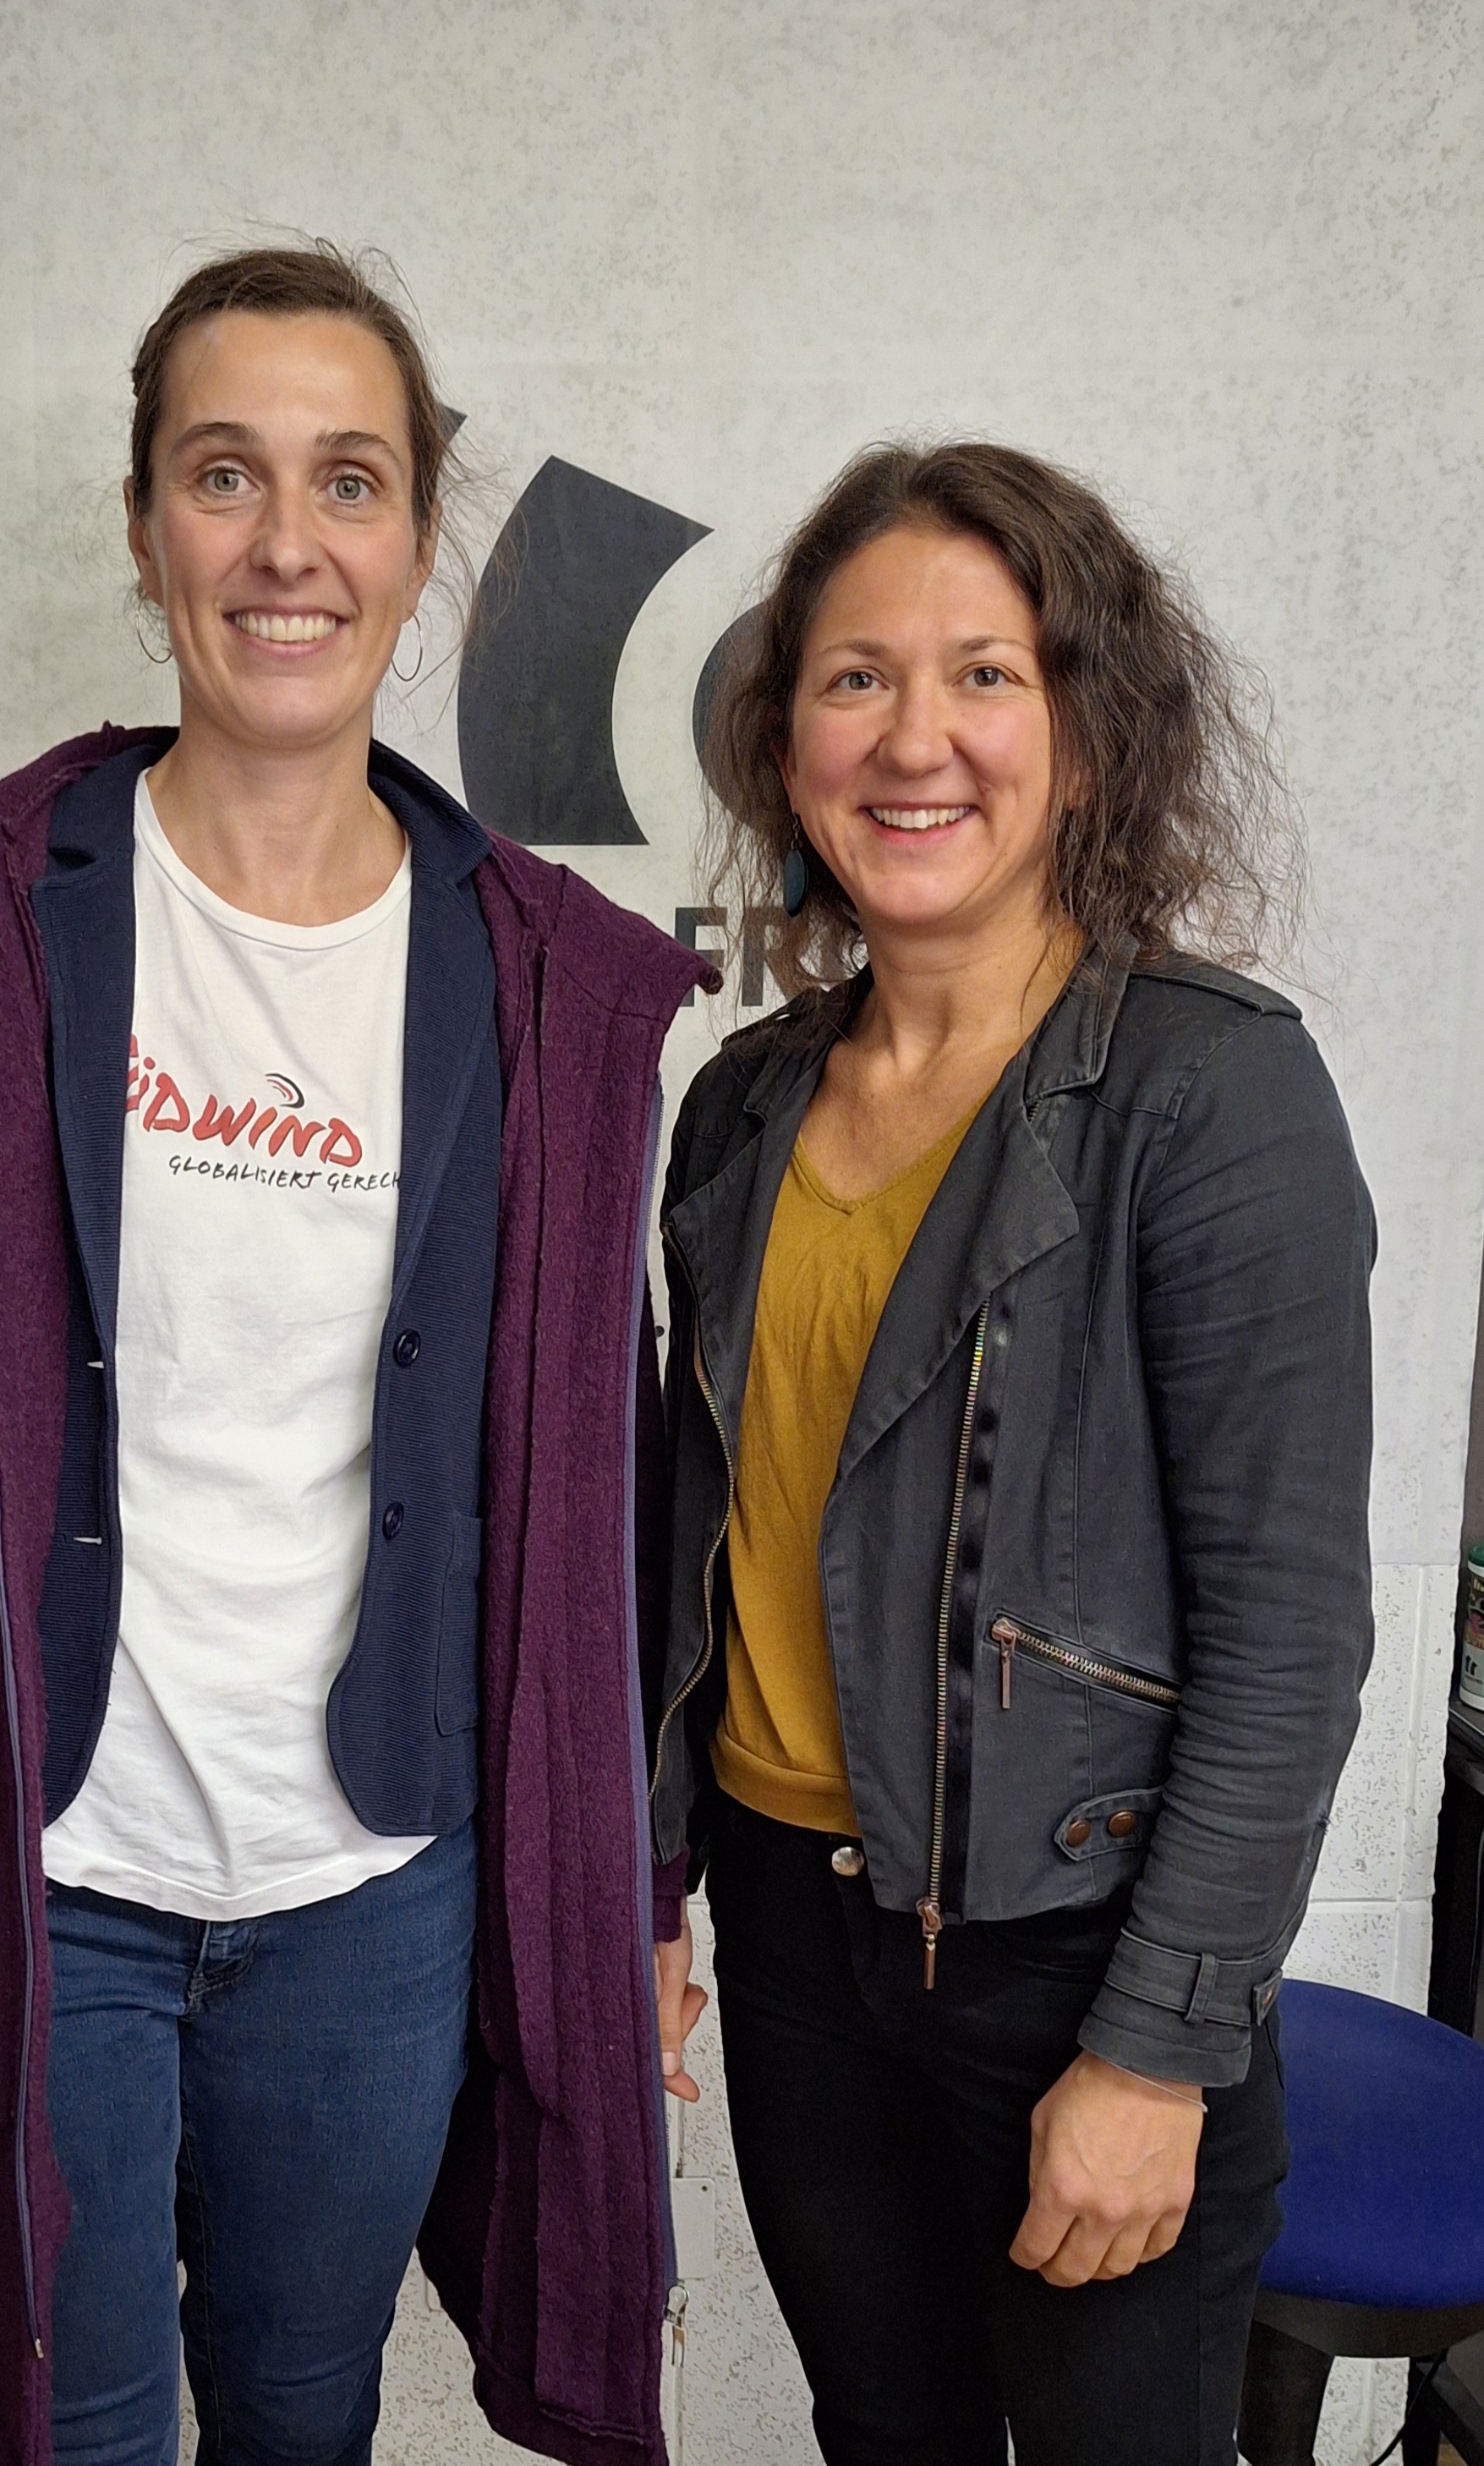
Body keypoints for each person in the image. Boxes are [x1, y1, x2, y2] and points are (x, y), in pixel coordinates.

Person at [0, 244, 715, 2466]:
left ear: (420, 538)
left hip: (374, 1891)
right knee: (77, 2425)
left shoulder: (545, 983)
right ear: (145, 527)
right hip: (39, 1862)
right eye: (224, 474)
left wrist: (628, 1879)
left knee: (306, 2419)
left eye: (348, 478)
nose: (286, 541)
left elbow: (603, 1483)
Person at [645, 441, 1374, 2466]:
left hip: (1075, 1953)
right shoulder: (741, 1105)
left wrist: (1156, 2047)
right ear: (785, 736)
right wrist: (639, 1884)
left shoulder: (1204, 1095)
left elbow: (1288, 1635)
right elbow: (689, 1545)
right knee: (883, 2435)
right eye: (854, 677)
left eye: (984, 674)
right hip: (791, 1935)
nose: (914, 738)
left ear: (1081, 731)